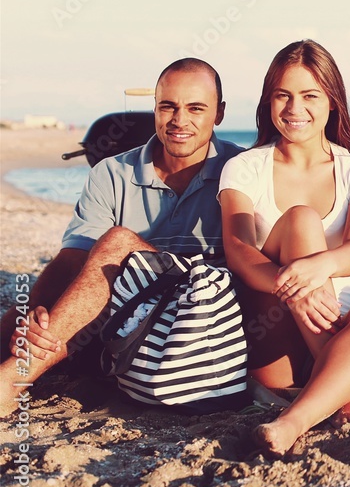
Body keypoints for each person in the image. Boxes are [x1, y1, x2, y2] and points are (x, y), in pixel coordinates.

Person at [1, 59, 243, 415]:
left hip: (201, 323)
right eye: (168, 107)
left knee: (117, 243)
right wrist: (37, 311)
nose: (179, 120)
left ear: (219, 113)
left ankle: (14, 379)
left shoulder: (241, 170)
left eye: (196, 108)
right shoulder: (112, 172)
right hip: (121, 321)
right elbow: (73, 258)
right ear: (155, 108)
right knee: (17, 318)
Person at [218, 40, 350, 457]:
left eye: (309, 95)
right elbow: (240, 252)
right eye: (283, 95)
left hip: (344, 329)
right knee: (301, 219)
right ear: (269, 101)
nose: (294, 108)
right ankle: (342, 394)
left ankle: (295, 420)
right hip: (276, 334)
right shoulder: (245, 167)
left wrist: (317, 269)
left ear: (332, 102)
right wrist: (291, 286)